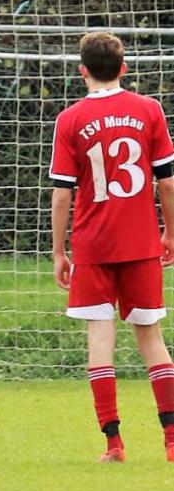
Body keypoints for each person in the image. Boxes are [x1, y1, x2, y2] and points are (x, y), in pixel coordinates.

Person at [50, 32, 174, 463]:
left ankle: (114, 444)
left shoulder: (69, 120)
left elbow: (63, 194)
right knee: (153, 342)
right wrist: (170, 235)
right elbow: (168, 182)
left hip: (93, 246)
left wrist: (58, 252)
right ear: (124, 69)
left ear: (82, 70)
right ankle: (173, 441)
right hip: (142, 244)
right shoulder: (149, 110)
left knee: (99, 346)